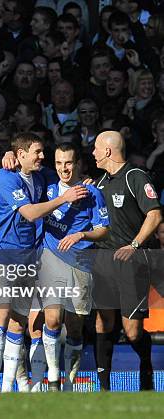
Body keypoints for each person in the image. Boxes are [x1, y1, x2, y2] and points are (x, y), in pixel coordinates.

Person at [0, 132, 88, 392]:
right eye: (38, 152)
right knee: (2, 315)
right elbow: (29, 213)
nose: (43, 157)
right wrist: (64, 199)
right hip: (0, 254)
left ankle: (10, 386)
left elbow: (66, 177)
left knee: (19, 320)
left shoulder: (40, 177)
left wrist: (80, 183)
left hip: (28, 254)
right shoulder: (5, 177)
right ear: (20, 155)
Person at [28, 143, 109, 392]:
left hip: (81, 264)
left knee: (74, 327)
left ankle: (69, 384)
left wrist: (81, 235)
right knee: (51, 320)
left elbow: (103, 230)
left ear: (78, 164)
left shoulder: (92, 193)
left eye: (69, 163)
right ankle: (53, 378)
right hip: (50, 258)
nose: (64, 168)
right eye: (60, 163)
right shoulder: (47, 188)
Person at [92, 131, 163, 391]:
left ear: (108, 151)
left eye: (96, 149)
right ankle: (103, 389)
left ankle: (146, 368)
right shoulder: (99, 183)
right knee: (103, 321)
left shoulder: (136, 177)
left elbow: (154, 215)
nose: (93, 153)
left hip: (132, 261)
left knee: (132, 331)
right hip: (103, 260)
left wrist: (134, 245)